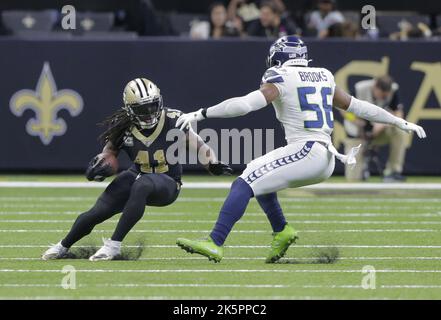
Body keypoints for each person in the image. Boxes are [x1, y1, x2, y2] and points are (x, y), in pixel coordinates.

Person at [174, 36, 426, 263]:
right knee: (261, 177)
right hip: (325, 156)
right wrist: (397, 121)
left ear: (279, 58)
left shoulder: (279, 76)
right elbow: (357, 106)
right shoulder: (324, 75)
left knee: (244, 182)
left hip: (308, 151)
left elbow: (246, 105)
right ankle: (282, 230)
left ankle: (215, 242)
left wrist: (202, 113)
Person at [42, 78, 232, 261]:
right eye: (142, 108)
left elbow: (200, 146)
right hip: (137, 174)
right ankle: (62, 246)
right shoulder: (123, 125)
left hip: (168, 182)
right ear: (130, 110)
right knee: (98, 211)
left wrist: (212, 163)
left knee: (142, 184)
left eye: (152, 105)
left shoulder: (174, 119)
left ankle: (113, 246)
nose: (149, 112)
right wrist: (100, 165)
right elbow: (109, 153)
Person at [344, 76, 408, 182]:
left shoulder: (393, 90)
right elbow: (343, 110)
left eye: (385, 96)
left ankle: (393, 172)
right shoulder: (359, 88)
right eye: (381, 95)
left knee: (400, 131)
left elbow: (399, 114)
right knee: (353, 180)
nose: (383, 99)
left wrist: (382, 125)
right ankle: (362, 171)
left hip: (378, 133)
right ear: (375, 87)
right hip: (357, 135)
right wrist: (357, 123)